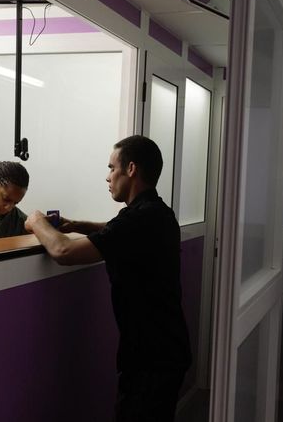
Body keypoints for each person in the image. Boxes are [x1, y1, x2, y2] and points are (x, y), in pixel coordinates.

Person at [25, 135, 191, 421]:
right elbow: (113, 229)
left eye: (112, 167)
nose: (107, 176)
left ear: (131, 169)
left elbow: (63, 251)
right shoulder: (156, 213)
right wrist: (77, 224)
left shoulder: (139, 220)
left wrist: (36, 222)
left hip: (151, 360)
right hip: (164, 351)